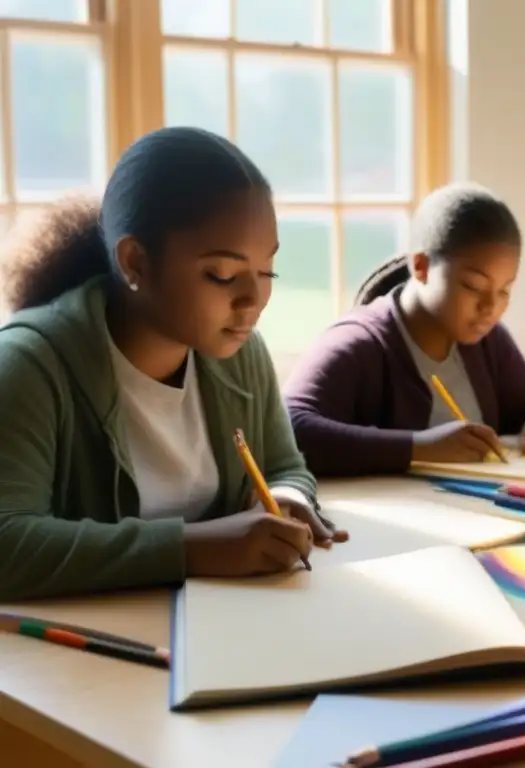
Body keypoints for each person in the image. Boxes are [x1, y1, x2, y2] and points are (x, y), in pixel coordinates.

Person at [0, 127, 346, 602]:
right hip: (91, 656)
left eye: (266, 271)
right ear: (134, 262)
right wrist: (194, 548)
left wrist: (288, 497)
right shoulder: (31, 364)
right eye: (222, 274)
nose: (254, 299)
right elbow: (8, 542)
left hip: (227, 631)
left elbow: (284, 465)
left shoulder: (241, 353)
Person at [285, 183, 525, 478]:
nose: (490, 306)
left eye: (504, 290)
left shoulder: (488, 341)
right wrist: (417, 447)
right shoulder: (359, 342)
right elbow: (292, 426)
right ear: (421, 266)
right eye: (473, 286)